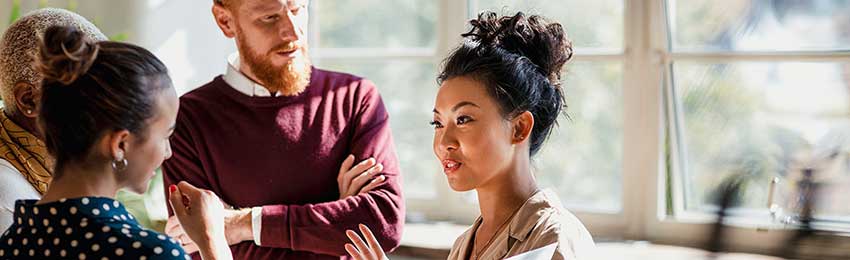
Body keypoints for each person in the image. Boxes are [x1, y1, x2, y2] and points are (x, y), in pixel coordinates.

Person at [162, 0, 404, 259]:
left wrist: (241, 224)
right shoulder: (186, 119)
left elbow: (383, 224)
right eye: (269, 17)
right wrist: (334, 217)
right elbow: (201, 248)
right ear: (225, 21)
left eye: (299, 9)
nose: (293, 31)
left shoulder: (354, 98)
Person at [345, 12, 596, 260]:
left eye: (463, 119)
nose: (443, 143)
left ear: (519, 128)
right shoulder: (464, 245)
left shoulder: (554, 239)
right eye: (438, 123)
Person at [0, 25, 232, 260]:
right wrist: (213, 241)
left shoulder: (11, 243)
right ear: (120, 144)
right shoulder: (148, 253)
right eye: (164, 137)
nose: (168, 153)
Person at [0, 8, 107, 232]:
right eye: (89, 89)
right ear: (29, 100)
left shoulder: (59, 165)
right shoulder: (8, 201)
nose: (106, 106)